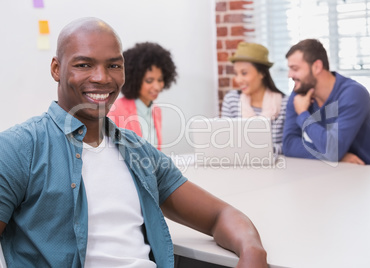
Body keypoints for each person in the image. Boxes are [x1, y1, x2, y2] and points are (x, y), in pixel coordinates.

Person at [0, 17, 268, 267]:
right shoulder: (18, 149)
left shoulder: (136, 151)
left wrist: (253, 251)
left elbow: (219, 216)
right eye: (84, 65)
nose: (102, 77)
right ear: (56, 69)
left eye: (114, 65)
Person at [282, 38, 370, 165]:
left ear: (317, 67)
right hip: (333, 175)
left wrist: (303, 114)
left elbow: (332, 150)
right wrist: (333, 157)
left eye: (295, 69)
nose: (289, 75)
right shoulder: (299, 95)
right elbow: (288, 145)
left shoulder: (353, 94)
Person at [108, 42, 177, 151]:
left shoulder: (156, 111)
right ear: (135, 79)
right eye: (149, 81)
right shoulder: (115, 109)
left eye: (160, 80)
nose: (157, 86)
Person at [221, 42, 288, 154]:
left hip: (277, 168)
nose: (238, 80)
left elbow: (288, 145)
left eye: (244, 73)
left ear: (261, 73)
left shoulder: (285, 103)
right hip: (239, 166)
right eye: (236, 74)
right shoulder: (231, 100)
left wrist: (260, 151)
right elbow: (225, 141)